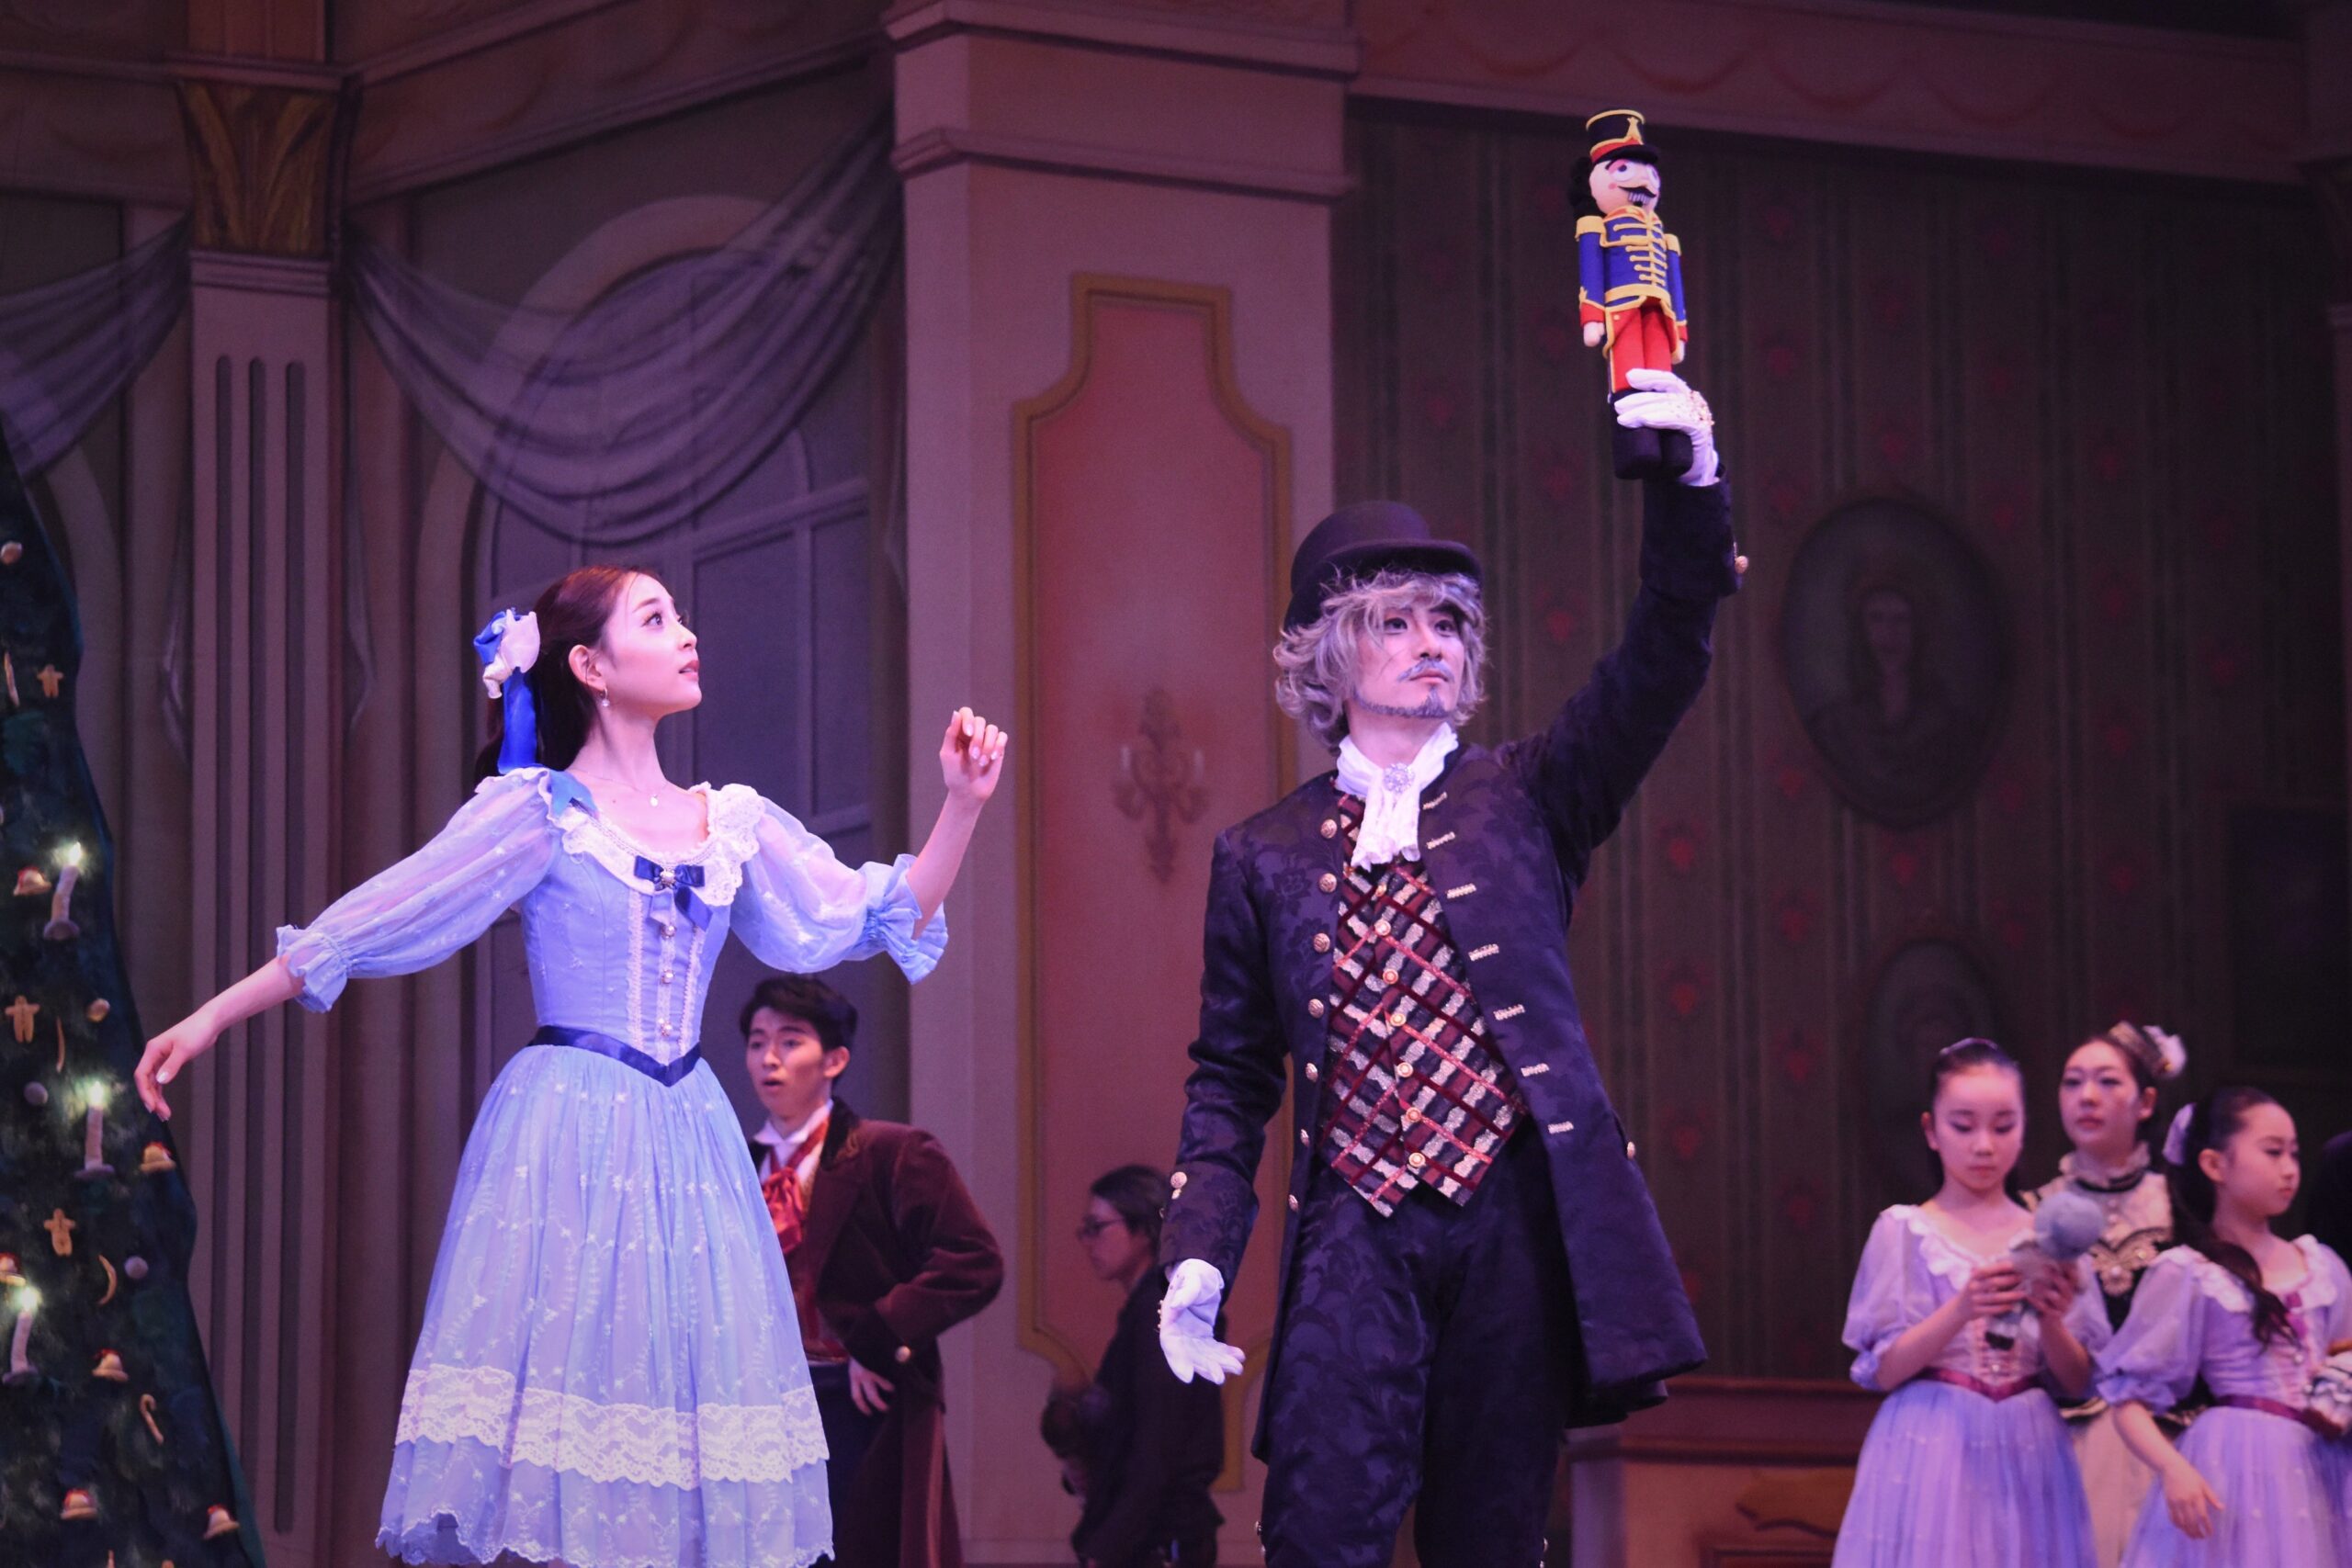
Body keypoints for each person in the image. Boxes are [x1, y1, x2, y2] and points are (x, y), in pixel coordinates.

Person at [131, 565, 1008, 1568]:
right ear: (590, 666)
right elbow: (386, 913)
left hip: (689, 1144)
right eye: (656, 618)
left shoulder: (733, 822)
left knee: (685, 1439)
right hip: (571, 1134)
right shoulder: (540, 812)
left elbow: (866, 916)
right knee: (572, 1432)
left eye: (679, 615)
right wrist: (212, 1015)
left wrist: (961, 805)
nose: (687, 633)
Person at [1154, 369, 1741, 1567]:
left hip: (1507, 1222)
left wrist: (1691, 487)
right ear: (1331, 652)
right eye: (1397, 622)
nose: (1432, 645)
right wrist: (1196, 1251)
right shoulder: (1261, 853)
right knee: (1317, 1533)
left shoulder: (1530, 792)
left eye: (1448, 625)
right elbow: (1229, 1080)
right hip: (1353, 1232)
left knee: (1493, 1539)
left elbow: (1665, 652)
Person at [741, 973, 1003, 1568]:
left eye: (790, 1041)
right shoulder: (736, 1162)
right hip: (764, 1401)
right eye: (757, 1042)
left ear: (834, 1059)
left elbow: (975, 1260)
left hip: (861, 1397)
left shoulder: (892, 1150)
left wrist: (878, 1337)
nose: (769, 1058)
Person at [1832, 1039, 2106, 1568]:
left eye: (2003, 1126)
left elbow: (2079, 1383)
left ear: (2024, 1127)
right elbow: (1882, 1370)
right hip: (1933, 1443)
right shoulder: (1904, 1231)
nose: (1984, 1146)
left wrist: (2051, 1320)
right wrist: (1961, 1309)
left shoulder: (2051, 1237)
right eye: (1963, 1126)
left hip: (2030, 1444)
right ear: (1932, 1130)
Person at [2098, 1087, 2349, 1566]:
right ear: (2215, 1165)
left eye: (2294, 1153)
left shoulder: (2323, 1267)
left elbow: (2345, 1353)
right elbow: (2128, 1399)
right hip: (2238, 1466)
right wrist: (2173, 1468)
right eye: (2272, 1152)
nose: (2289, 1168)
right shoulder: (2191, 1273)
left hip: (2323, 1466)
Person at [2026, 1021, 2187, 1568]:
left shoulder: (2184, 1209)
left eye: (2107, 1081)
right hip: (2064, 1443)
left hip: (2171, 1438)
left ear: (2146, 1102)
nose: (2087, 1097)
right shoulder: (2031, 1211)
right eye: (2072, 1082)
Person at [1045, 1165, 1223, 1568]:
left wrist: (1107, 1550)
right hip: (1149, 1540)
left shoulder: (1165, 1317)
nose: (1087, 1242)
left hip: (1157, 1544)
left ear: (1143, 1230)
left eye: (1097, 1227)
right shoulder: (1149, 1313)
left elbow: (1157, 1452)